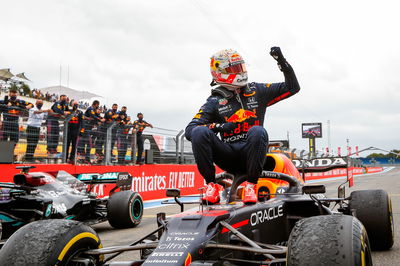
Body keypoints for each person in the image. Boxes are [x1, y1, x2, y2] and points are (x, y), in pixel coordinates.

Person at [185, 47, 300, 204]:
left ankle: (251, 186)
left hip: (253, 154)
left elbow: (292, 87)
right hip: (228, 155)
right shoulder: (213, 102)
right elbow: (190, 131)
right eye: (234, 68)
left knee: (258, 131)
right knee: (199, 132)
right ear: (220, 73)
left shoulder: (257, 90)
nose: (240, 72)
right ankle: (212, 186)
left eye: (240, 67)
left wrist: (282, 62)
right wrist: (219, 126)